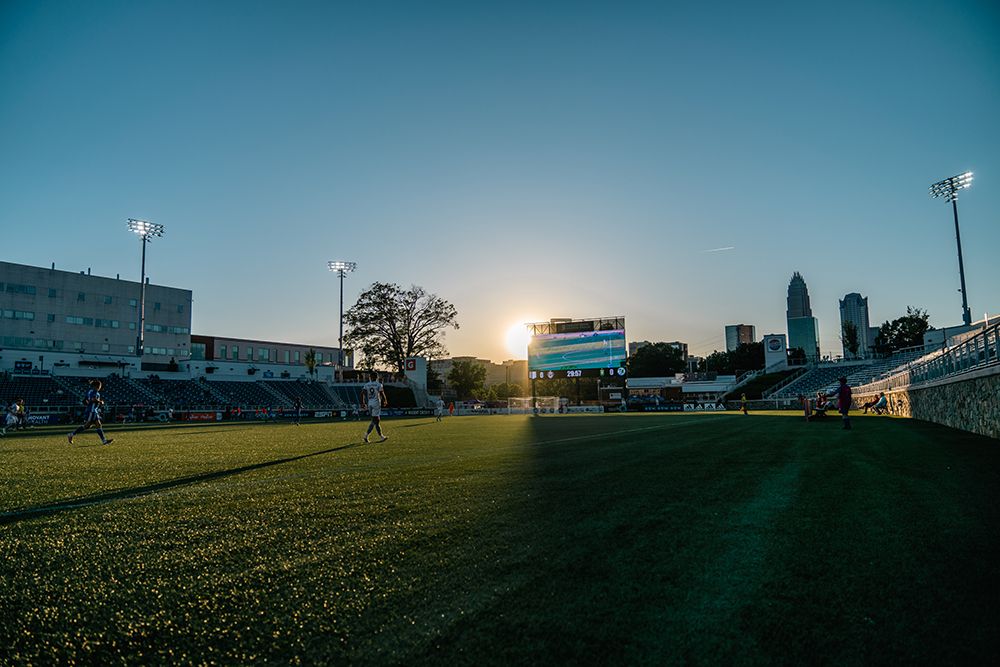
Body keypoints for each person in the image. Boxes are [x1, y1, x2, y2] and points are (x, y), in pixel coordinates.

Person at [68, 380, 114, 445]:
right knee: (90, 425)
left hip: (92, 410)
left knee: (92, 425)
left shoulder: (89, 391)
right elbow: (93, 399)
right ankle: (71, 434)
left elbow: (84, 400)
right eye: (99, 386)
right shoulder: (95, 392)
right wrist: (101, 402)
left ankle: (104, 441)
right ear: (96, 386)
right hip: (92, 411)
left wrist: (89, 405)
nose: (100, 387)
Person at [359, 372, 388, 443]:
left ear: (370, 377)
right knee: (376, 421)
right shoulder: (379, 384)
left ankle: (367, 436)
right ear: (377, 377)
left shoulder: (367, 385)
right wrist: (385, 400)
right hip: (376, 403)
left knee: (375, 421)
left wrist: (362, 403)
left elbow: (362, 393)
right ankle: (379, 436)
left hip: (370, 404)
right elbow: (382, 393)